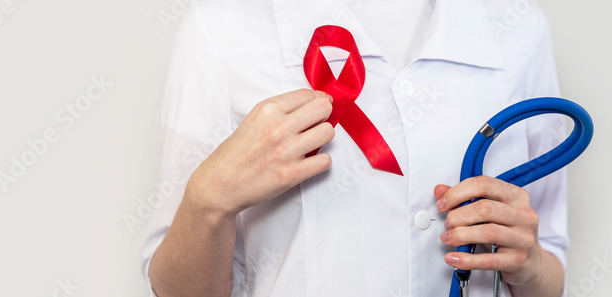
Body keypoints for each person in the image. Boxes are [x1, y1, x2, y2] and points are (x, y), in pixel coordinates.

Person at [140, 0, 568, 296]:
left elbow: (548, 264)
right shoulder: (219, 28)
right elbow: (173, 289)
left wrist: (530, 265)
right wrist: (208, 202)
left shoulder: (518, 27)